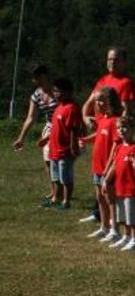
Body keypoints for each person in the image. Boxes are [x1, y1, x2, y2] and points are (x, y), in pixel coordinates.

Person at [80, 87, 123, 242]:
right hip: (97, 166)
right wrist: (84, 140)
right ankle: (104, 227)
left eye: (101, 100)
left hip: (108, 167)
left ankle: (115, 230)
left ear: (110, 102)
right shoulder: (102, 119)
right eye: (97, 100)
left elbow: (116, 144)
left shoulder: (115, 121)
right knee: (100, 197)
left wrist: (109, 166)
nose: (97, 103)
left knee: (110, 199)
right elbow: (98, 136)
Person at [12, 63, 58, 204]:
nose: (33, 81)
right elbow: (30, 118)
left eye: (35, 77)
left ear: (43, 76)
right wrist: (21, 138)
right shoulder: (36, 95)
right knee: (47, 161)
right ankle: (54, 190)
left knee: (57, 160)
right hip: (50, 126)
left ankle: (60, 194)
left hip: (63, 126)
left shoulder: (57, 91)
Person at [103, 115, 135, 251]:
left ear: (132, 130)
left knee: (132, 217)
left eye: (125, 127)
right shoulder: (119, 147)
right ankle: (126, 237)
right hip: (119, 188)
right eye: (119, 128)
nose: (121, 130)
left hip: (131, 189)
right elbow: (115, 165)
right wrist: (107, 180)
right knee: (124, 216)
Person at [44, 78, 82, 210]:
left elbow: (73, 129)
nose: (56, 94)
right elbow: (55, 128)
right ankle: (56, 198)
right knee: (55, 176)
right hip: (54, 149)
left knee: (65, 177)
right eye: (54, 91)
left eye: (58, 91)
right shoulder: (59, 107)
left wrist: (73, 146)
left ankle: (66, 201)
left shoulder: (72, 108)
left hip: (65, 150)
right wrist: (46, 139)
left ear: (68, 92)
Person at [82, 46, 135, 125]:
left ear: (124, 63)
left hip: (111, 130)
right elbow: (89, 102)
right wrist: (85, 117)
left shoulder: (126, 83)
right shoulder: (102, 80)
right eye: (109, 59)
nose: (112, 62)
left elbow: (125, 112)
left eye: (116, 60)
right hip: (99, 130)